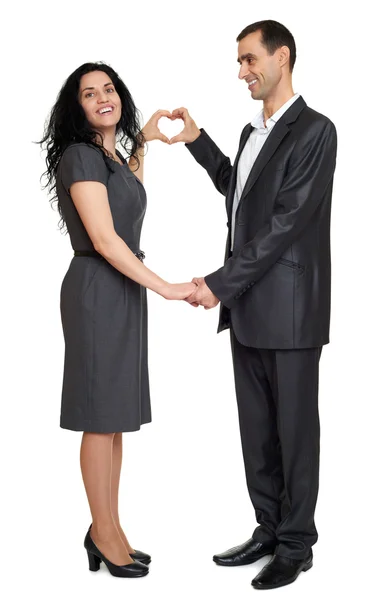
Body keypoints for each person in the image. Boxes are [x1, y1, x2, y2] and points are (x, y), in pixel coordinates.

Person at [170, 20, 337, 590]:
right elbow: (237, 187)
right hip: (247, 311)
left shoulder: (316, 131)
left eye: (248, 60)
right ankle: (268, 528)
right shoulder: (251, 135)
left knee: (295, 434)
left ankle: (296, 545)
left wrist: (217, 282)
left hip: (290, 312)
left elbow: (286, 223)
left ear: (281, 57)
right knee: (257, 431)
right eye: (239, 62)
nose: (241, 71)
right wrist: (197, 140)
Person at [39, 62, 196, 579]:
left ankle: (110, 527)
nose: (102, 97)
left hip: (121, 290)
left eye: (108, 89)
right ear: (77, 108)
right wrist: (168, 286)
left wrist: (144, 141)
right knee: (99, 416)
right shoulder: (80, 156)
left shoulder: (107, 157)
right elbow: (106, 241)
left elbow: (127, 202)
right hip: (97, 289)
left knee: (116, 417)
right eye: (89, 93)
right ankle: (102, 532)